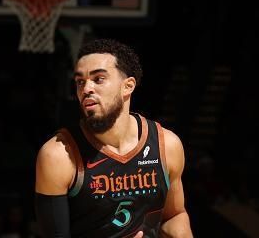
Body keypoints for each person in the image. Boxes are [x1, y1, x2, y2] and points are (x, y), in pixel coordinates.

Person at [35, 39, 193, 237]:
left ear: (127, 86)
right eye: (80, 82)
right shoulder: (58, 156)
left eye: (98, 79)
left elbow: (174, 215)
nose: (86, 89)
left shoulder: (167, 145)